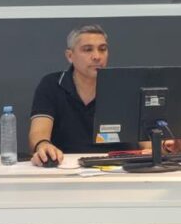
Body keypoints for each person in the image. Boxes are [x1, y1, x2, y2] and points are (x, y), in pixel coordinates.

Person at [28, 24, 119, 166]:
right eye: (87, 50)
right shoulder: (52, 84)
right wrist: (43, 145)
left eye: (102, 49)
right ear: (70, 56)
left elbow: (145, 142)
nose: (97, 56)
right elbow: (39, 132)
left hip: (118, 167)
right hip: (65, 166)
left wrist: (156, 148)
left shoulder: (122, 85)